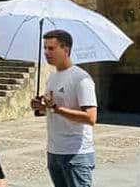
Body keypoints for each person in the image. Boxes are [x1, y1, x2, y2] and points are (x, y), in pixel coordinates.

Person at [30, 30, 97, 187]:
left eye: (51, 48)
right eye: (45, 48)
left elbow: (91, 118)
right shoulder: (52, 77)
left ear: (65, 50)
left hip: (76, 154)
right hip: (54, 151)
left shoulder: (81, 78)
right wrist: (41, 107)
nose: (46, 52)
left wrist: (55, 108)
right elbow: (51, 109)